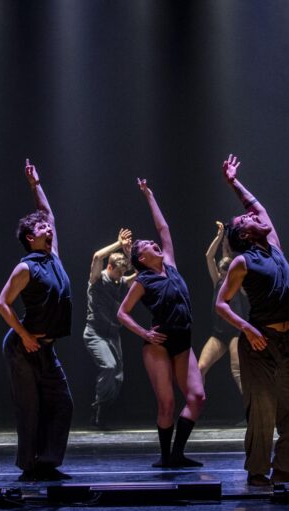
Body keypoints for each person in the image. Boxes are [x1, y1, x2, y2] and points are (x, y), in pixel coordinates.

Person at [215, 154, 289, 487]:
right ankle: (257, 473)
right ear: (244, 234)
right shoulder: (242, 262)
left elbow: (258, 207)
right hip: (259, 343)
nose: (254, 216)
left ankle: (283, 468)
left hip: (284, 342)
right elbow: (221, 304)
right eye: (247, 219)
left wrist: (233, 182)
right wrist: (247, 328)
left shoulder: (274, 247)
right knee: (263, 410)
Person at [117, 178, 205, 469]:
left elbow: (164, 229)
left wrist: (149, 196)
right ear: (142, 257)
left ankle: (177, 454)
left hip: (183, 339)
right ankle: (166, 458)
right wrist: (144, 332)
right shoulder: (143, 280)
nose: (155, 244)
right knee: (166, 403)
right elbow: (122, 313)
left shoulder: (170, 266)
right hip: (159, 344)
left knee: (197, 396)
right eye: (148, 246)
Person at [0, 159, 74, 482]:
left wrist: (36, 185)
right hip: (22, 347)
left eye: (48, 229)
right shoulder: (25, 267)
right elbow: (2, 304)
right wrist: (24, 335)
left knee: (62, 403)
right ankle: (29, 468)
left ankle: (47, 462)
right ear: (30, 238)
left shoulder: (53, 257)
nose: (49, 230)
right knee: (30, 407)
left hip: (46, 347)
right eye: (42, 229)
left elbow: (48, 214)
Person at [84, 228, 135, 429]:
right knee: (109, 366)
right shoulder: (97, 279)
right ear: (110, 267)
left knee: (118, 377)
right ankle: (99, 409)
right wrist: (119, 244)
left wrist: (130, 254)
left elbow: (139, 274)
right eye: (119, 272)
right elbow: (97, 256)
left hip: (113, 335)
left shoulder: (120, 280)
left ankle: (102, 410)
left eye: (123, 273)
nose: (121, 277)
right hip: (95, 333)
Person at [198, 221, 248, 394]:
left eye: (224, 271)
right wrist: (220, 237)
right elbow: (209, 256)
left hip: (236, 333)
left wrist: (228, 241)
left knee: (237, 370)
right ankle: (196, 404)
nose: (221, 274)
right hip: (218, 334)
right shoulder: (217, 282)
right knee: (200, 368)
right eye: (220, 271)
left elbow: (230, 259)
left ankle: (252, 407)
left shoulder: (238, 284)